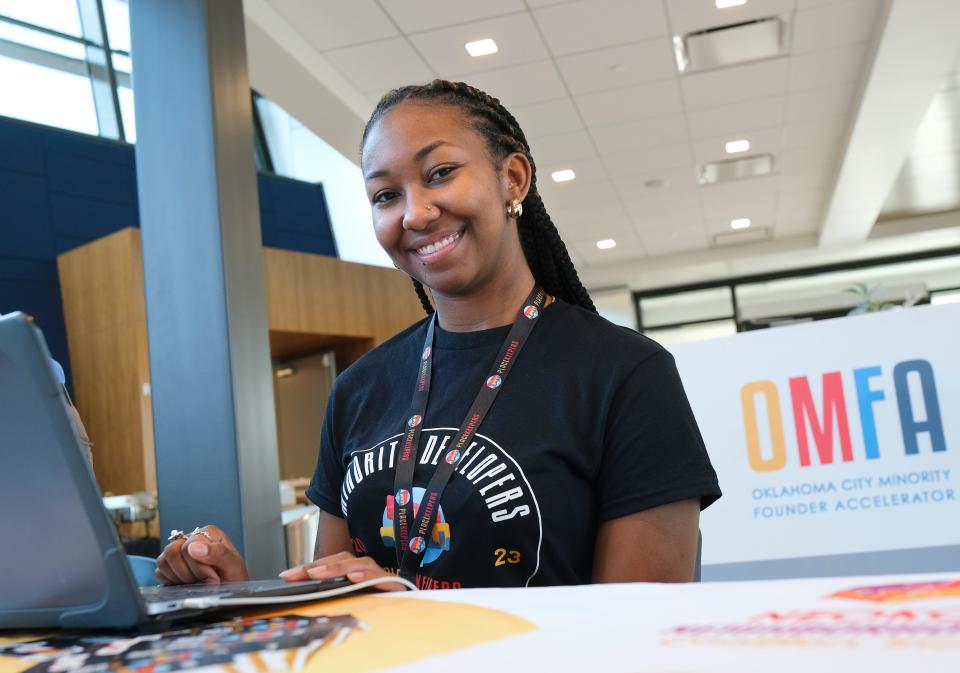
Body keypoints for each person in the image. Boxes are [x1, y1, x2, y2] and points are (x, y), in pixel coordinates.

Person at [155, 80, 721, 590]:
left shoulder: (625, 374)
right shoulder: (360, 388)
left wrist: (407, 604)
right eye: (385, 195)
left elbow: (641, 635)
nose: (415, 214)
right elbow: (333, 594)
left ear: (513, 178)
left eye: (440, 174)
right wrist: (229, 592)